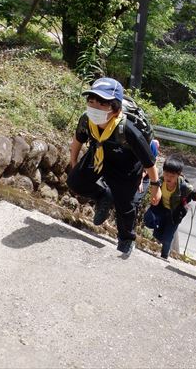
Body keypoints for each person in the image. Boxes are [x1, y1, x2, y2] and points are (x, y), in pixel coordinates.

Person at [67, 77, 161, 257]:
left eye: (101, 103)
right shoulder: (87, 120)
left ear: (115, 109)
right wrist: (74, 164)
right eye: (91, 101)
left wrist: (155, 188)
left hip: (126, 167)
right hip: (99, 156)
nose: (94, 107)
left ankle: (126, 239)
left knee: (125, 205)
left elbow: (149, 161)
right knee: (74, 182)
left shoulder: (127, 129)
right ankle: (104, 195)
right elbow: (78, 141)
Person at [143, 156, 196, 259]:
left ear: (178, 175)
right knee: (148, 220)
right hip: (161, 210)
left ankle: (164, 257)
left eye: (172, 175)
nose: (168, 178)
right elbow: (154, 187)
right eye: (166, 174)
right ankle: (158, 233)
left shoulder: (183, 186)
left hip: (174, 214)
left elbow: (194, 193)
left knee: (167, 239)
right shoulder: (161, 180)